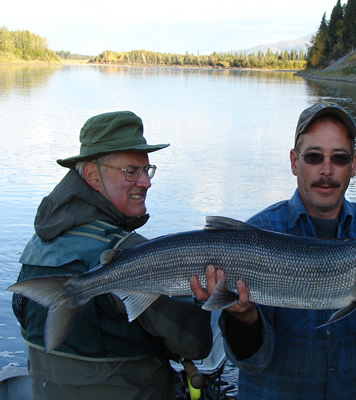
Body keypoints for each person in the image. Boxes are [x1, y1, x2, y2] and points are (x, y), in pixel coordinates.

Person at [191, 102, 356, 399]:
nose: (326, 170)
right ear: (293, 162)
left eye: (339, 158)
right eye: (314, 157)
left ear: (353, 165)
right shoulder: (254, 235)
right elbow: (250, 359)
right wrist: (244, 318)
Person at [12, 111, 212, 399]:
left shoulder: (37, 244)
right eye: (131, 171)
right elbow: (195, 345)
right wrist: (204, 302)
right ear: (93, 175)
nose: (146, 182)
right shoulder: (129, 251)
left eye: (147, 170)